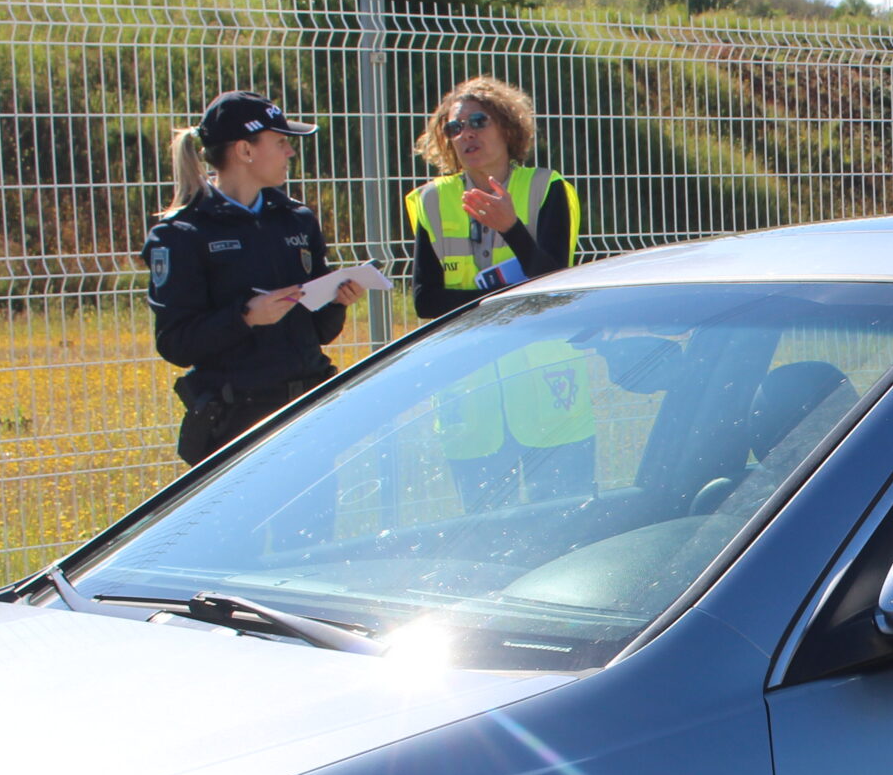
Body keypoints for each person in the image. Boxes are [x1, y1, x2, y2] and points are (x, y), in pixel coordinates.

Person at [144, 91, 366, 466]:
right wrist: (246, 317)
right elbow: (175, 343)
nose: (290, 153)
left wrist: (337, 302)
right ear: (245, 151)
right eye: (280, 143)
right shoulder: (182, 233)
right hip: (236, 421)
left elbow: (317, 332)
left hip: (308, 408)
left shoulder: (296, 219)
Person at [405, 76, 595, 509]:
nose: (466, 134)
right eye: (454, 128)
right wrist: (507, 301)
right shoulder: (432, 201)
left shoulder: (547, 188)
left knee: (566, 522)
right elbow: (425, 301)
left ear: (508, 129)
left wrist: (511, 228)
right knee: (485, 532)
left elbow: (555, 287)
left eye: (478, 121)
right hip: (472, 404)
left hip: (548, 396)